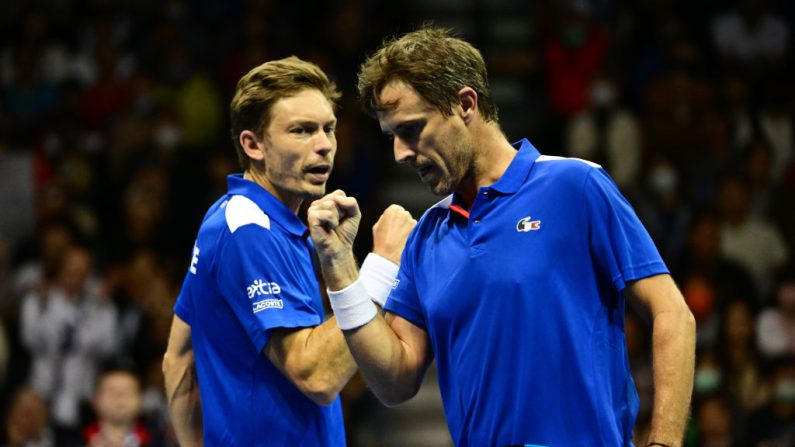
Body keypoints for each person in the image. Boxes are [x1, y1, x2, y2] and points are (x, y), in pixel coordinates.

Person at [308, 27, 696, 446]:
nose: (400, 153)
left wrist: (665, 441)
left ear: (465, 104)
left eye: (412, 129)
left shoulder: (575, 186)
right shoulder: (426, 239)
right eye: (392, 137)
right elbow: (394, 382)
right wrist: (342, 269)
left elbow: (672, 313)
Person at [161, 56, 415, 446]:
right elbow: (317, 376)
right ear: (253, 144)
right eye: (302, 130)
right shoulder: (249, 231)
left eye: (328, 129)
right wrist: (382, 266)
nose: (324, 146)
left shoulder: (238, 217)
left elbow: (177, 359)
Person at [82, 369, 155, 447]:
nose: (119, 397)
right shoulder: (74, 441)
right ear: (95, 400)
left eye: (127, 391)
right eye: (111, 391)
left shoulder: (160, 441)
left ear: (141, 401)